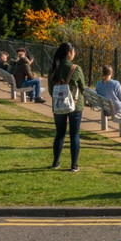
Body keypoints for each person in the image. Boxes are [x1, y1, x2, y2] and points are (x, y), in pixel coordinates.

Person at [47, 42, 85, 172]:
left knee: (59, 134)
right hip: (75, 105)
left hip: (58, 105)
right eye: (73, 52)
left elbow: (51, 90)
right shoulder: (76, 68)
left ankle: (55, 162)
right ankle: (74, 165)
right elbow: (82, 87)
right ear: (69, 53)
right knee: (74, 135)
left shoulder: (53, 68)